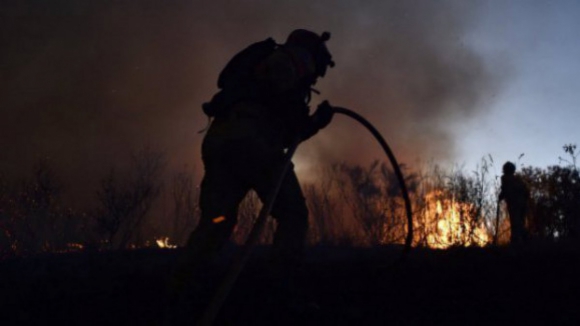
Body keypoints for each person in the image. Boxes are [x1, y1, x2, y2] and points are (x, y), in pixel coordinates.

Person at [169, 29, 336, 294]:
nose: (315, 75)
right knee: (292, 214)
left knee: (217, 218)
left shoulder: (259, 65)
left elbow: (282, 124)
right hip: (253, 142)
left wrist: (311, 123)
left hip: (220, 140)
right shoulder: (294, 60)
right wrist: (315, 122)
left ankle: (182, 284)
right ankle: (279, 285)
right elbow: (289, 121)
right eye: (319, 69)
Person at [498, 161, 530, 244]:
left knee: (515, 222)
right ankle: (523, 240)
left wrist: (500, 197)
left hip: (514, 204)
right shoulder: (518, 179)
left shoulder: (505, 178)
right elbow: (526, 191)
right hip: (522, 204)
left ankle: (516, 241)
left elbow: (504, 189)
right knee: (520, 222)